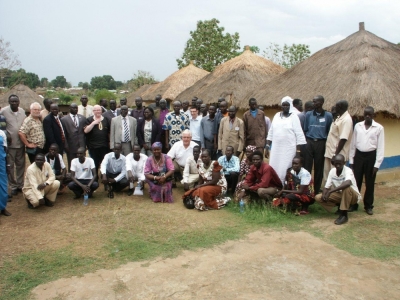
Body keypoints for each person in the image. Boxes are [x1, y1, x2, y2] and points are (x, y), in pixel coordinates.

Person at [349, 106, 384, 215]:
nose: (367, 116)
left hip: (371, 156)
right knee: (356, 181)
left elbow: (381, 147)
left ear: (373, 115)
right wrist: (351, 160)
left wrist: (377, 164)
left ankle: (368, 205)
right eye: (365, 114)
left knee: (370, 182)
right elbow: (353, 144)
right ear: (363, 115)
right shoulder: (358, 126)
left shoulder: (379, 128)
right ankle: (354, 203)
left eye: (370, 114)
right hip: (359, 155)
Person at [266, 96, 306, 184]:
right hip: (276, 149)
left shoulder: (294, 117)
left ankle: (284, 186)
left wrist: (298, 151)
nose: (285, 107)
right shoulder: (276, 116)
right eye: (283, 105)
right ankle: (274, 184)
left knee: (285, 167)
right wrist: (267, 145)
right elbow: (271, 132)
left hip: (288, 149)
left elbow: (299, 134)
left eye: (287, 105)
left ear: (290, 106)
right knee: (274, 165)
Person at [315, 154, 361, 225]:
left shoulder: (348, 171)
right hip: (341, 195)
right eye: (336, 163)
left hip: (353, 197)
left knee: (346, 188)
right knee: (318, 197)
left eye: (340, 163)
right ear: (333, 163)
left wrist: (330, 191)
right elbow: (326, 187)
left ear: (344, 163)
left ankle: (344, 215)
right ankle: (340, 207)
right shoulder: (332, 171)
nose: (338, 165)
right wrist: (325, 194)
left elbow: (347, 183)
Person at [303, 96, 333, 194]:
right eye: (313, 101)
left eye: (316, 102)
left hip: (321, 143)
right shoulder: (308, 114)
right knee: (307, 166)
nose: (314, 103)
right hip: (309, 141)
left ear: (321, 102)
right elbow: (305, 129)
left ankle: (316, 190)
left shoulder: (328, 116)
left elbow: (329, 131)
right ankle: (306, 189)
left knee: (319, 167)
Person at [323, 100, 353, 188]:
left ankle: (335, 196)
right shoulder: (339, 117)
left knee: (336, 177)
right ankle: (327, 194)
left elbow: (343, 139)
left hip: (337, 154)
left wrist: (335, 155)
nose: (334, 107)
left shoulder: (346, 119)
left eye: (336, 106)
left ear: (340, 107)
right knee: (327, 175)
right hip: (329, 152)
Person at [0, 95, 26, 196]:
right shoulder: (4, 112)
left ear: (19, 102)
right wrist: (6, 133)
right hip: (10, 145)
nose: (14, 103)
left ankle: (20, 184)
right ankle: (13, 186)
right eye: (12, 102)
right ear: (9, 102)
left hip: (21, 143)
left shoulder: (22, 111)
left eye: (16, 101)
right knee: (10, 166)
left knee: (21, 165)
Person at [84, 105, 110, 177]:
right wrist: (93, 123)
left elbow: (109, 132)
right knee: (94, 163)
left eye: (99, 110)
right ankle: (95, 177)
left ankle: (103, 176)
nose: (98, 111)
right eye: (96, 110)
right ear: (93, 111)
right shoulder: (89, 120)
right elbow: (86, 131)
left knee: (104, 162)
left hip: (104, 146)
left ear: (101, 111)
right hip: (93, 146)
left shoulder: (106, 119)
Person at [60, 103, 86, 171]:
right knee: (71, 162)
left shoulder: (82, 118)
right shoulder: (64, 120)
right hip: (71, 145)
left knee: (82, 162)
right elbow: (63, 133)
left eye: (76, 108)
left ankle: (83, 176)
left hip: (81, 145)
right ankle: (72, 177)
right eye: (73, 108)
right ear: (69, 109)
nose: (75, 109)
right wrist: (66, 145)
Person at [0, 129, 11, 216]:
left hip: (1, 163)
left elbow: (5, 149)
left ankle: (3, 207)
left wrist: (8, 165)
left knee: (3, 186)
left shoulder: (2, 133)